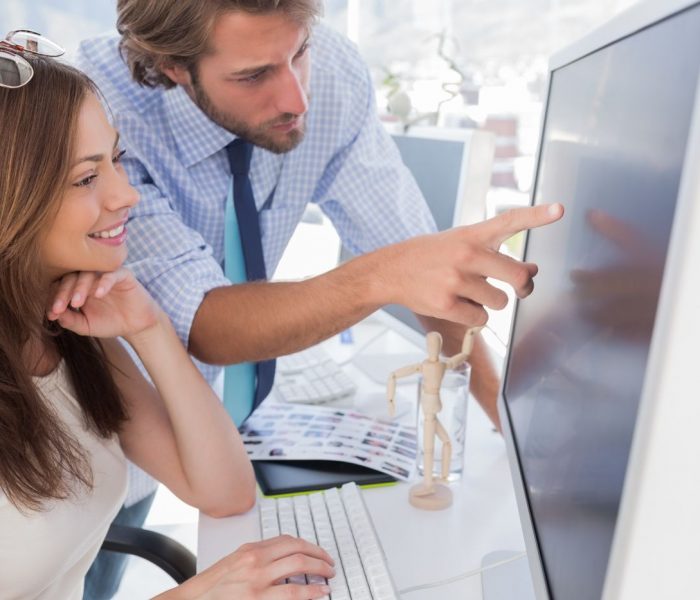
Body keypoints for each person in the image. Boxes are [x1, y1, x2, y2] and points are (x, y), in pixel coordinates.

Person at [76, 0, 564, 595]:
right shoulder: (100, 110)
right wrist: (378, 276)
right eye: (254, 75)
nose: (295, 98)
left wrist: (510, 429)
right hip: (95, 438)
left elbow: (418, 257)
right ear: (173, 66)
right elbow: (199, 320)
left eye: (299, 52)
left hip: (200, 443)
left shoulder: (327, 73)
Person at [0, 49, 335, 599]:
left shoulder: (68, 325)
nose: (125, 193)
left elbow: (225, 491)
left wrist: (148, 328)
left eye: (116, 159)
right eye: (87, 177)